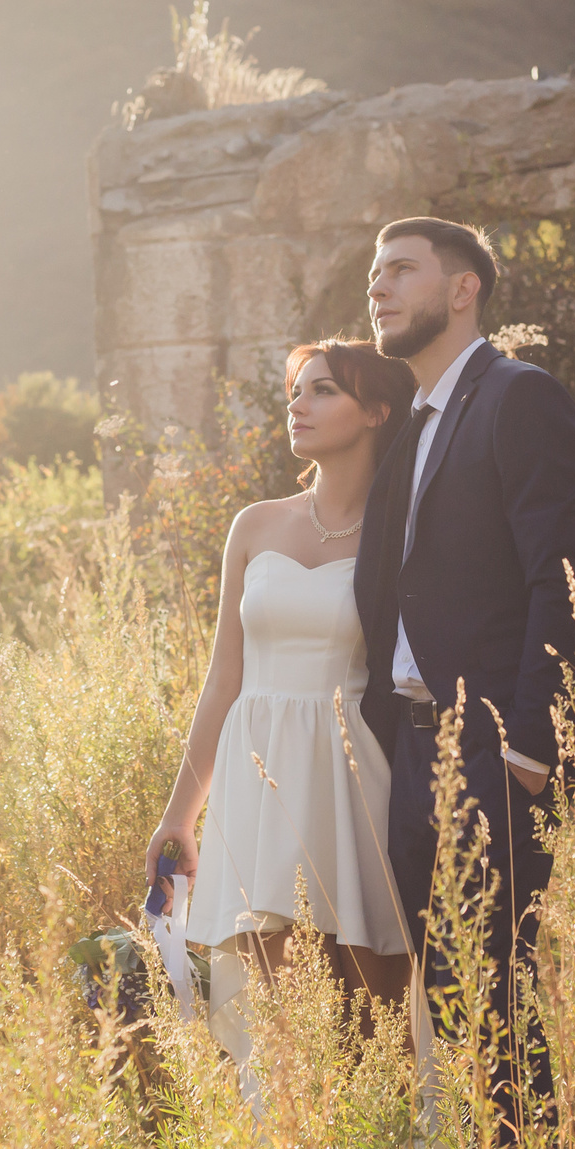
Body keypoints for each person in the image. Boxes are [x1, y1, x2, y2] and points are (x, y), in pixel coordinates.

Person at [355, 215, 575, 1149]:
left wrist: (531, 747)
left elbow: (566, 573)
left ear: (462, 290)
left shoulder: (518, 398)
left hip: (493, 751)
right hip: (408, 749)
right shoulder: (407, 424)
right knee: (443, 998)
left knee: (498, 990)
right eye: (371, 274)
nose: (377, 288)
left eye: (400, 271)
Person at [143, 338, 422, 1073]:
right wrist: (180, 815)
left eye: (323, 389)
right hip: (255, 776)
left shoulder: (402, 536)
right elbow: (221, 680)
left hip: (350, 775)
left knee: (370, 1012)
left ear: (376, 411)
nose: (298, 403)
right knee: (276, 1012)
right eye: (297, 388)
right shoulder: (255, 524)